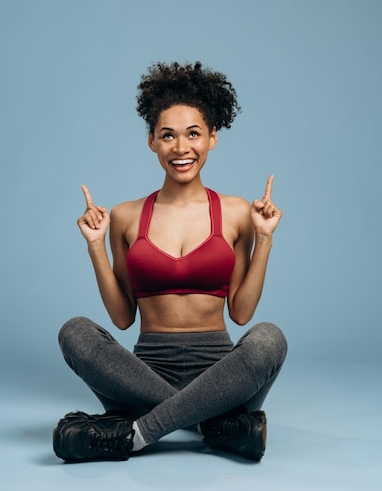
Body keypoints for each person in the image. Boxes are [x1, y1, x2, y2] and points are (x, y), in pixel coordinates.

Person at [53, 61, 287, 462]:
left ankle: (138, 434)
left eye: (193, 134)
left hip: (221, 373)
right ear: (152, 142)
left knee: (270, 339)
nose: (181, 148)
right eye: (168, 136)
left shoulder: (235, 213)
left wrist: (264, 238)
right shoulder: (126, 217)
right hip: (143, 375)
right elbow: (123, 319)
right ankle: (215, 424)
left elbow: (243, 314)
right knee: (74, 331)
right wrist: (94, 245)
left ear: (212, 137)